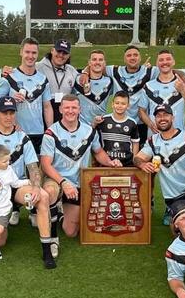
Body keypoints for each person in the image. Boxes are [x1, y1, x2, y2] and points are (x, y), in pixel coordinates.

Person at [0, 97, 57, 268]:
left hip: (15, 186)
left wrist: (35, 187)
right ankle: (4, 217)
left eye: (12, 113)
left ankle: (47, 250)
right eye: (5, 113)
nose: (8, 117)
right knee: (0, 242)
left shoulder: (22, 136)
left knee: (42, 196)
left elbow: (33, 167)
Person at [40, 95, 123, 238]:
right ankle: (51, 236)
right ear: (60, 109)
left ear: (80, 109)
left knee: (71, 232)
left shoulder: (89, 131)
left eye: (74, 107)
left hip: (79, 183)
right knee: (49, 191)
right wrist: (63, 182)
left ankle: (60, 215)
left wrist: (110, 162)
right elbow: (45, 165)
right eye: (66, 107)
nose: (70, 111)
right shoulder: (51, 133)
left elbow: (98, 152)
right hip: (58, 181)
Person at [133, 104, 185, 227]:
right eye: (158, 116)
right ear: (155, 119)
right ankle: (170, 209)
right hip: (171, 196)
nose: (162, 118)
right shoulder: (153, 140)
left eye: (166, 115)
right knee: (177, 227)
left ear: (173, 118)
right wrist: (142, 164)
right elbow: (137, 158)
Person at [0, 37, 53, 154]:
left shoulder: (43, 79)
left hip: (38, 133)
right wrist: (11, 100)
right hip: (14, 132)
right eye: (27, 52)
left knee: (35, 170)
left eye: (34, 53)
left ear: (37, 54)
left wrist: (50, 130)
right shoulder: (9, 77)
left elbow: (47, 107)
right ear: (21, 52)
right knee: (15, 171)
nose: (30, 56)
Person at [138, 49, 185, 137]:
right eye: (161, 60)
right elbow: (141, 111)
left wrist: (183, 90)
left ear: (173, 62)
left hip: (178, 138)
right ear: (157, 64)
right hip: (154, 138)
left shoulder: (183, 83)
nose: (164, 62)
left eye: (168, 59)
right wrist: (150, 124)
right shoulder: (148, 86)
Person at [36, 39, 79, 123]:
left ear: (68, 55)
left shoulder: (71, 70)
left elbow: (83, 78)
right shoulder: (38, 67)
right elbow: (22, 71)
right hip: (43, 112)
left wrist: (85, 73)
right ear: (52, 50)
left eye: (65, 53)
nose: (61, 55)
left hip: (65, 113)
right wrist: (7, 71)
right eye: (58, 51)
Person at [95, 91, 139, 167]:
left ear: (128, 106)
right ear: (112, 104)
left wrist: (134, 160)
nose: (119, 106)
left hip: (127, 164)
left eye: (123, 104)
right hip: (107, 163)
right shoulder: (104, 120)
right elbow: (92, 136)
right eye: (117, 103)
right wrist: (94, 122)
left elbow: (135, 143)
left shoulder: (132, 123)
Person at [74, 50, 113, 125]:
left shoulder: (110, 82)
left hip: (102, 126)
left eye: (100, 60)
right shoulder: (78, 80)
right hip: (82, 127)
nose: (97, 62)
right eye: (94, 59)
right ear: (89, 62)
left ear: (104, 63)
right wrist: (85, 73)